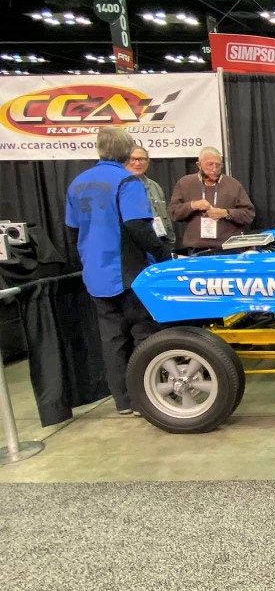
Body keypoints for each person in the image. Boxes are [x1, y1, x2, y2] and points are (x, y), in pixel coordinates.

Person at [66, 127, 172, 416]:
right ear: (126, 151)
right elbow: (138, 226)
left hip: (95, 273)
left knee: (112, 339)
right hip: (128, 272)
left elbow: (73, 230)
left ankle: (123, 401)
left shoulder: (77, 183)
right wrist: (164, 255)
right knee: (144, 333)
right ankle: (144, 400)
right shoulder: (128, 181)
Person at [167, 147, 255, 250]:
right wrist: (193, 205)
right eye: (210, 164)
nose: (214, 169)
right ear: (199, 165)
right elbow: (173, 213)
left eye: (218, 165)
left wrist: (226, 213)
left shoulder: (233, 184)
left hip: (228, 247)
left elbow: (249, 214)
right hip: (196, 248)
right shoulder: (185, 183)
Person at [125, 141, 176, 248]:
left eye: (142, 159)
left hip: (159, 244)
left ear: (148, 162)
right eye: (133, 159)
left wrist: (170, 242)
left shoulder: (155, 186)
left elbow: (164, 216)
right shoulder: (121, 186)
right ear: (125, 161)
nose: (137, 163)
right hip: (135, 247)